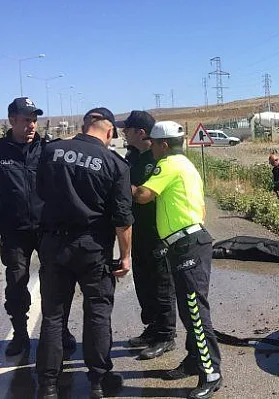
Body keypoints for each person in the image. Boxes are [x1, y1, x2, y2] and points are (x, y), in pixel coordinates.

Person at [35, 107, 133, 399]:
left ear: (84, 125)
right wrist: (125, 255)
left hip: (54, 245)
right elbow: (123, 218)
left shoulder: (51, 152)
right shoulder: (115, 164)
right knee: (97, 315)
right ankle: (99, 382)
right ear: (109, 131)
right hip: (93, 250)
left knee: (53, 316)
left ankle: (48, 386)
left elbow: (39, 194)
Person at [132, 121, 222, 399]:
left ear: (162, 144)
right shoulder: (184, 163)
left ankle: (212, 372)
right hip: (186, 243)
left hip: (188, 244)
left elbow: (144, 196)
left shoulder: (169, 164)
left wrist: (121, 182)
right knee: (188, 309)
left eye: (153, 145)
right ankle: (195, 361)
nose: (151, 149)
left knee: (195, 312)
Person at [0, 97, 76, 357]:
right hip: (14, 233)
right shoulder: (1, 152)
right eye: (26, 120)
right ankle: (20, 335)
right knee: (16, 284)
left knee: (56, 283)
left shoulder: (48, 150)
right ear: (11, 120)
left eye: (34, 120)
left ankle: (60, 331)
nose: (31, 125)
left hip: (48, 229)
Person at [117, 111, 176, 360]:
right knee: (144, 283)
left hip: (158, 232)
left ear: (141, 133)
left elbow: (144, 194)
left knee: (162, 285)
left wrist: (121, 187)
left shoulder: (158, 159)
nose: (123, 133)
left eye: (127, 130)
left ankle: (166, 335)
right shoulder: (134, 157)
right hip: (138, 230)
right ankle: (153, 328)